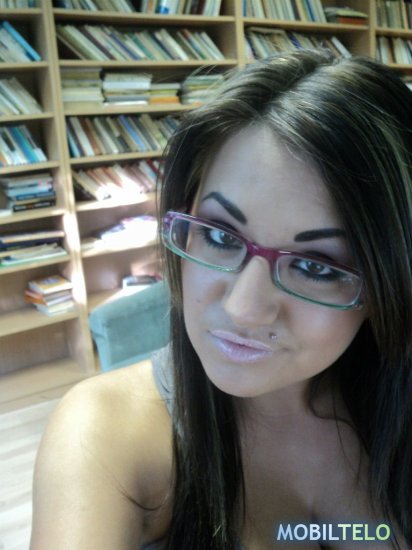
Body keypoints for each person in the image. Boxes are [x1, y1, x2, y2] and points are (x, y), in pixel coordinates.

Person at [30, 50, 412, 550]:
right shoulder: (107, 432)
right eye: (220, 236)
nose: (242, 309)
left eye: (316, 266)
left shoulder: (389, 401)